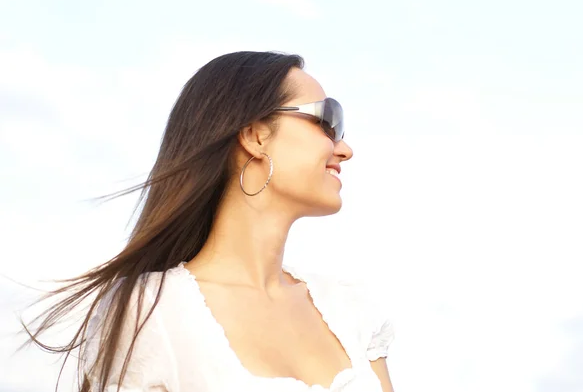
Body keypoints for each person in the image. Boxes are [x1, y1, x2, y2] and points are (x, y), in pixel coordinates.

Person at [21, 51, 395, 392]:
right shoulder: (150, 310)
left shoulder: (352, 310)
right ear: (254, 135)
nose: (344, 148)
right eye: (328, 121)